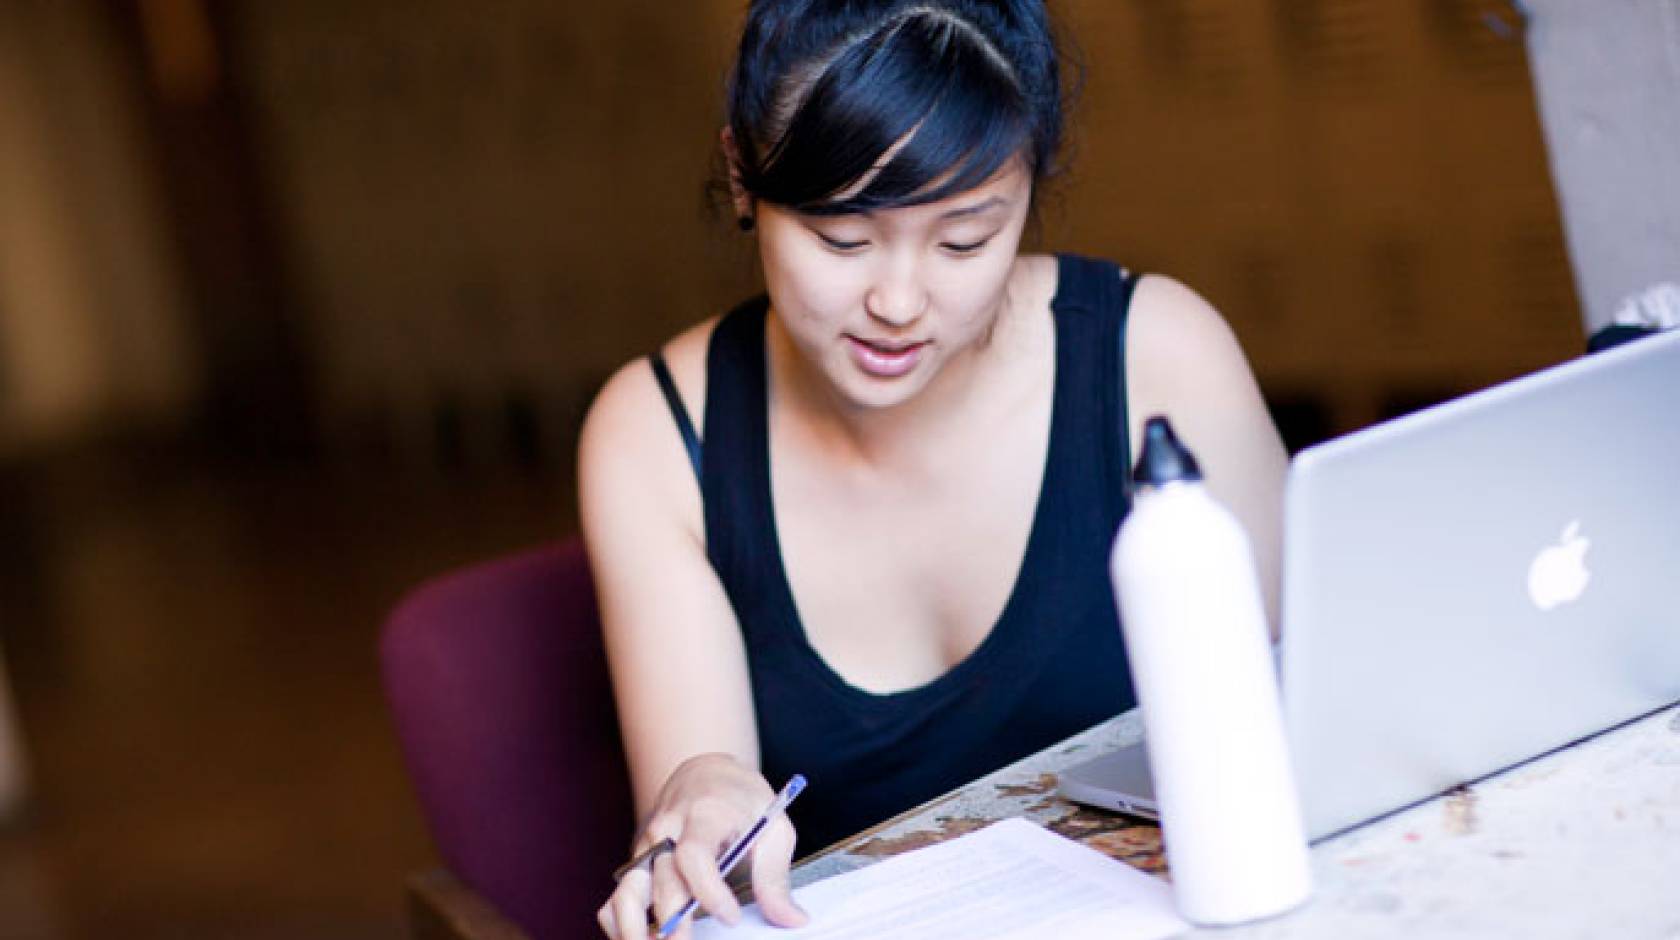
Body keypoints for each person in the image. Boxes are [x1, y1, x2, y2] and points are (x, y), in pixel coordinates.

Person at [580, 2, 1288, 936]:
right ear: (743, 175)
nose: (900, 302)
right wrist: (702, 795)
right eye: (844, 239)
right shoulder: (658, 435)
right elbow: (704, 793)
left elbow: (1308, 702)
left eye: (964, 240)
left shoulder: (1156, 355)